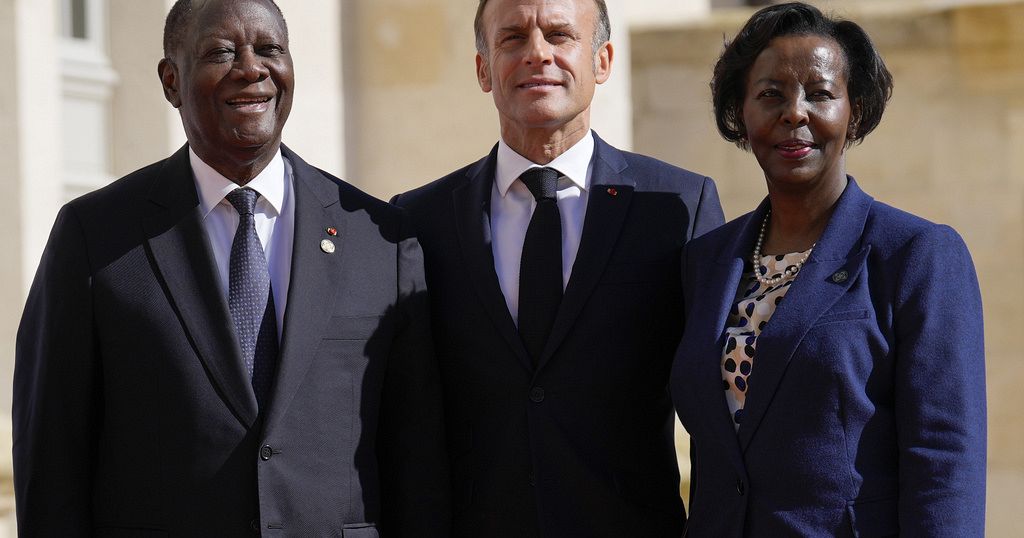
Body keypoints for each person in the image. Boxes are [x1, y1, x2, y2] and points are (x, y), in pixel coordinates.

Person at [13, 0, 449, 535]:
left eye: (270, 49)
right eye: (221, 52)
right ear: (171, 81)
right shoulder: (96, 236)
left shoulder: (380, 239)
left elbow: (417, 462)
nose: (251, 69)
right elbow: (52, 457)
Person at [392, 0, 724, 535]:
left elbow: (716, 410)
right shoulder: (417, 220)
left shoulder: (677, 206)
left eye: (559, 35)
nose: (537, 54)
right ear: (483, 70)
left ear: (602, 60)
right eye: (512, 38)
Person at [670, 3, 986, 536]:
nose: (794, 113)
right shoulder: (706, 261)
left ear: (854, 113)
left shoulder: (916, 255)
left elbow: (944, 460)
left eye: (819, 94)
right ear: (740, 116)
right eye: (770, 94)